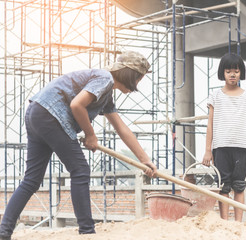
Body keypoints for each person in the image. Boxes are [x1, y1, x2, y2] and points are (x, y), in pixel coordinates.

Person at [0, 51, 157, 240]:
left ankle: (4, 232)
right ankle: (87, 231)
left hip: (37, 112)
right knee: (80, 169)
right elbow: (77, 105)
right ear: (132, 74)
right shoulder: (105, 78)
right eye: (139, 78)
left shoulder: (105, 95)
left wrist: (145, 160)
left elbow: (122, 129)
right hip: (50, 116)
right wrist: (91, 135)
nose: (138, 84)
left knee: (32, 179)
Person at [202, 52, 246, 221]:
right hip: (220, 146)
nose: (232, 74)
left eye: (236, 70)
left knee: (239, 185)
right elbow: (210, 123)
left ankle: (238, 223)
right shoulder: (215, 96)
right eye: (228, 71)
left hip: (242, 147)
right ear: (222, 73)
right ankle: (225, 222)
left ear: (241, 72)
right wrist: (207, 150)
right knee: (224, 186)